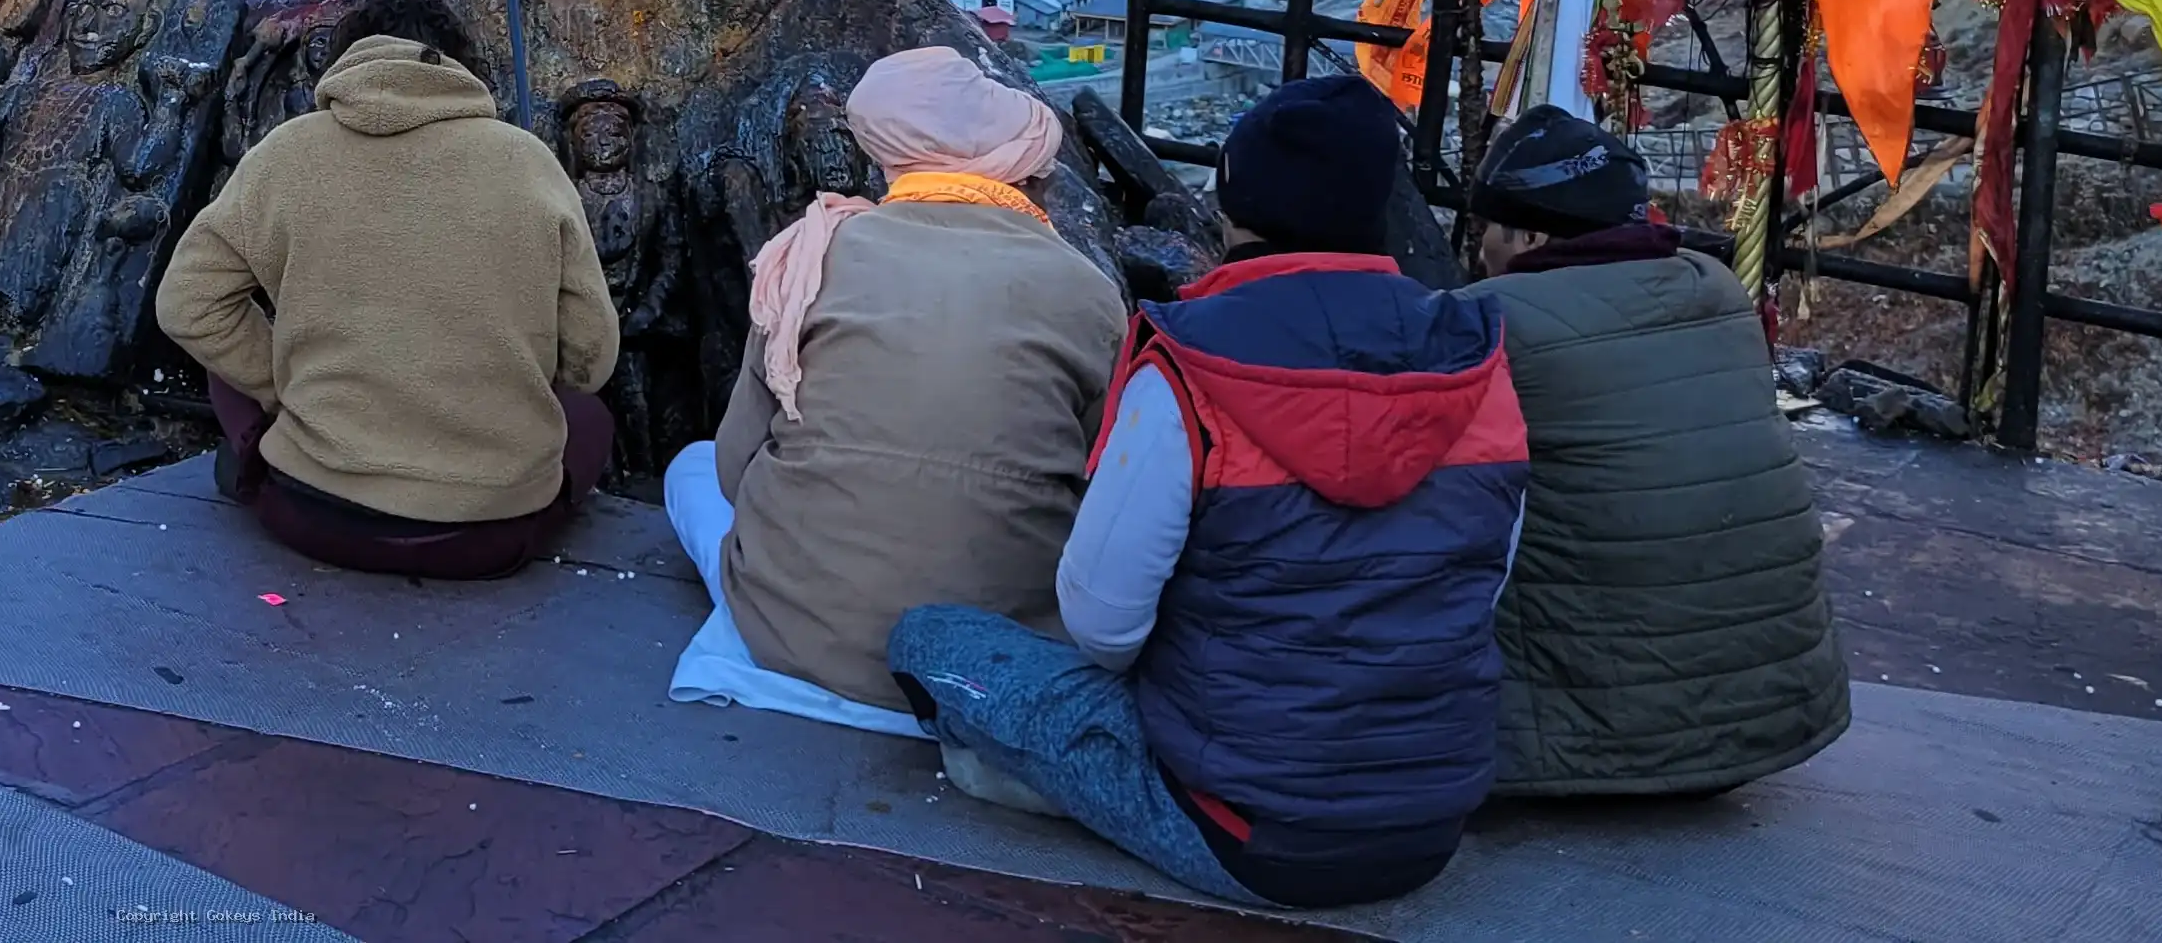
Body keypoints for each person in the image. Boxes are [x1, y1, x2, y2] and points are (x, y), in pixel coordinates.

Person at [888, 74, 1528, 910]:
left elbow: (1099, 622)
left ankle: (1075, 788)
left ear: (1231, 206)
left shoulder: (1192, 363)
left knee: (929, 640)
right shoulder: (1476, 360)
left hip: (1244, 832)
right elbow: (1484, 579)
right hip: (1429, 825)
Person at [663, 47, 1128, 735]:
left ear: (882, 158)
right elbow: (1098, 491)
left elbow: (735, 471)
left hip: (799, 640)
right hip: (990, 657)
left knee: (692, 466)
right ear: (1022, 166)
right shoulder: (1088, 291)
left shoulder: (812, 254)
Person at [155, 0, 617, 577]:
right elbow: (591, 358)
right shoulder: (527, 161)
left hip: (314, 516)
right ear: (459, 65)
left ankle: (255, 460)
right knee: (590, 420)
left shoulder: (285, 153)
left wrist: (288, 386)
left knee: (229, 377)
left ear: (348, 59)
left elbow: (187, 303)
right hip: (484, 539)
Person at [1459, 108, 1850, 796]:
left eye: (1484, 230)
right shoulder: (1717, 289)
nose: (1477, 250)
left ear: (1528, 234)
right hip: (1771, 717)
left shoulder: (1497, 319)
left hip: (1592, 747)